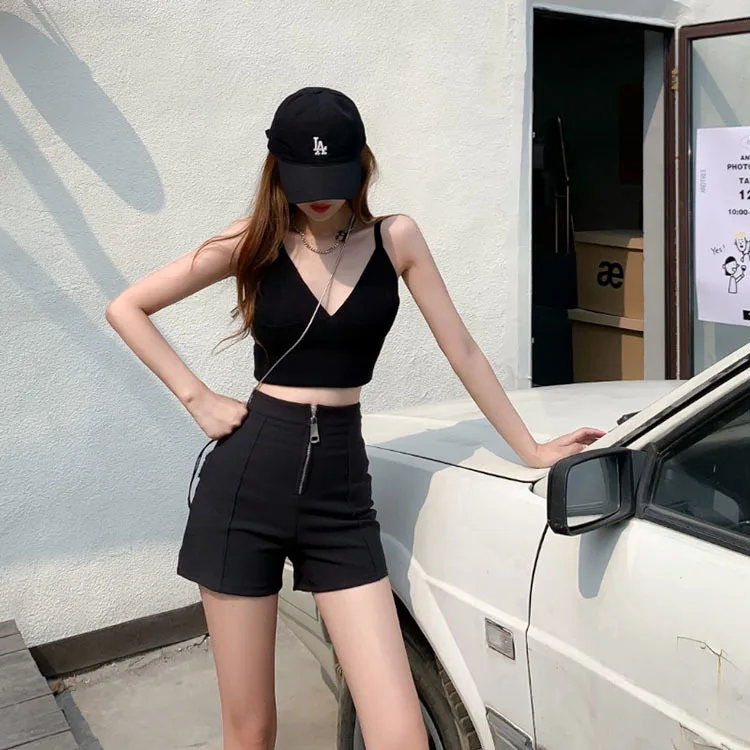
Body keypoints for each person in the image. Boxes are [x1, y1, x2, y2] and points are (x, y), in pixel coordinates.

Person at [105, 86, 604, 750]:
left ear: (361, 164)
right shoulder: (253, 240)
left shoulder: (396, 238)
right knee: (251, 731)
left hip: (340, 495)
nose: (319, 198)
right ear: (278, 169)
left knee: (401, 734)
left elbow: (462, 349)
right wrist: (198, 398)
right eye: (304, 180)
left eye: (333, 178)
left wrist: (531, 448)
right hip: (245, 485)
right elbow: (127, 307)